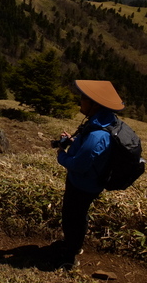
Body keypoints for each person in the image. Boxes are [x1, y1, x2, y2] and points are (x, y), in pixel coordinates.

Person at [55, 80, 125, 268]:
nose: (80, 101)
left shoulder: (98, 136)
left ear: (95, 104)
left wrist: (61, 155)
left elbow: (79, 165)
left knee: (72, 217)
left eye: (83, 99)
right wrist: (73, 140)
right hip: (90, 182)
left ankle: (70, 257)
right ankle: (74, 245)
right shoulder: (102, 121)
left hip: (82, 185)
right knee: (78, 215)